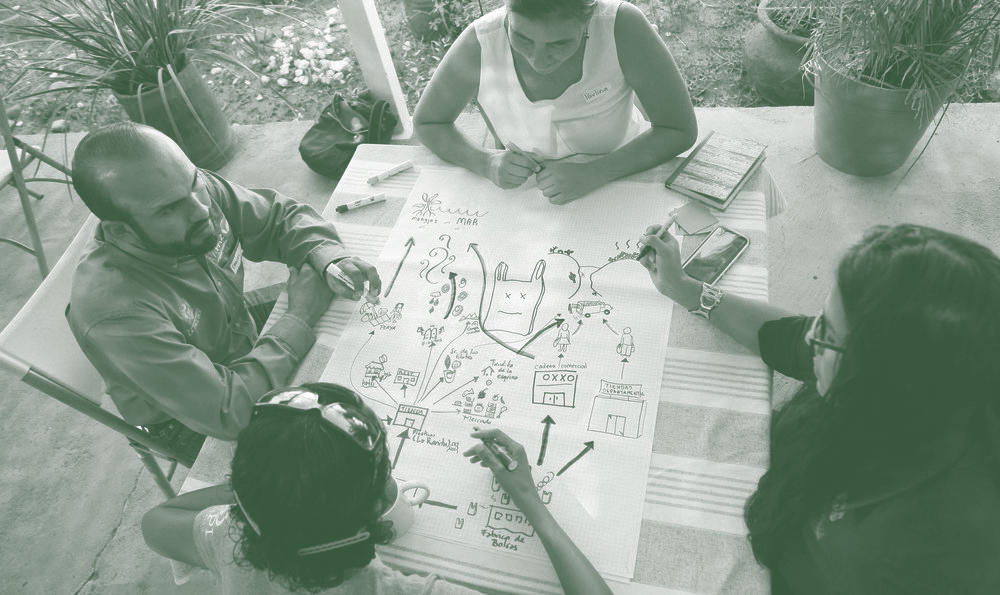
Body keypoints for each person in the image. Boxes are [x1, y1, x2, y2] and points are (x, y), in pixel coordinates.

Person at [638, 222, 1000, 593]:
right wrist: (685, 289)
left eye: (828, 334)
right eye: (822, 319)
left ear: (887, 378)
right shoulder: (922, 380)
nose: (812, 336)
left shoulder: (911, 551)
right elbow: (789, 338)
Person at [67, 122, 381, 455]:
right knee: (338, 454)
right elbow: (229, 412)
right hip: (191, 420)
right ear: (122, 231)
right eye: (169, 209)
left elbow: (279, 218)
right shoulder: (117, 315)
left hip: (236, 325)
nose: (201, 210)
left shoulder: (187, 193)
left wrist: (327, 256)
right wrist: (298, 318)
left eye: (193, 182)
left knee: (356, 319)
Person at [142, 382, 613, 595]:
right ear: (381, 502)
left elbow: (156, 522)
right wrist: (530, 501)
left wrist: (268, 485)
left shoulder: (230, 539)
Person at [414, 0, 697, 205]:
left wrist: (596, 172)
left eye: (559, 43)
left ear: (589, 18)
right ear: (507, 9)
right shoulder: (480, 42)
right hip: (524, 200)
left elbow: (678, 129)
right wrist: (484, 161)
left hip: (621, 178)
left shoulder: (623, 27)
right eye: (522, 37)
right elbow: (429, 122)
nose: (538, 60)